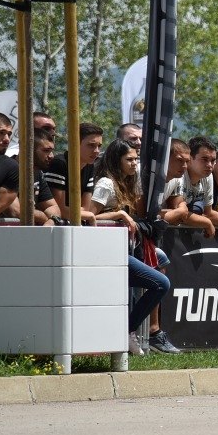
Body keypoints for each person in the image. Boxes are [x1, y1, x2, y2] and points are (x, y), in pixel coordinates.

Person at [87, 139, 180, 354]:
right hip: (106, 253)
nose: (134, 164)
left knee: (161, 263)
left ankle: (127, 331)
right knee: (161, 283)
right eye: (129, 159)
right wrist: (120, 214)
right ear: (115, 160)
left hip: (127, 249)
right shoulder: (106, 184)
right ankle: (126, 330)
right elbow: (88, 216)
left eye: (136, 159)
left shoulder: (129, 183)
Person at [162, 136, 218, 236]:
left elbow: (208, 212)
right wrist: (207, 222)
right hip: (161, 229)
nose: (210, 165)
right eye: (204, 159)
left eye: (213, 160)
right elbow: (177, 213)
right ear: (190, 158)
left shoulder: (208, 176)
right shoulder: (178, 174)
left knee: (197, 208)